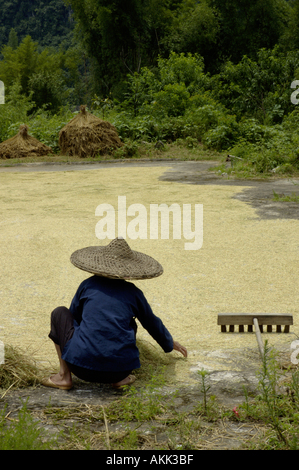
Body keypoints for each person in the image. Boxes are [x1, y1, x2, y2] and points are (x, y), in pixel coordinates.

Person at [42, 237, 188, 390]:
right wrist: (169, 343)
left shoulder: (88, 286)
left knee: (59, 313)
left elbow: (73, 318)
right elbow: (151, 323)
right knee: (129, 322)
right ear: (128, 272)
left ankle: (64, 375)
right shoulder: (134, 293)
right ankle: (121, 380)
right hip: (119, 371)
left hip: (80, 367)